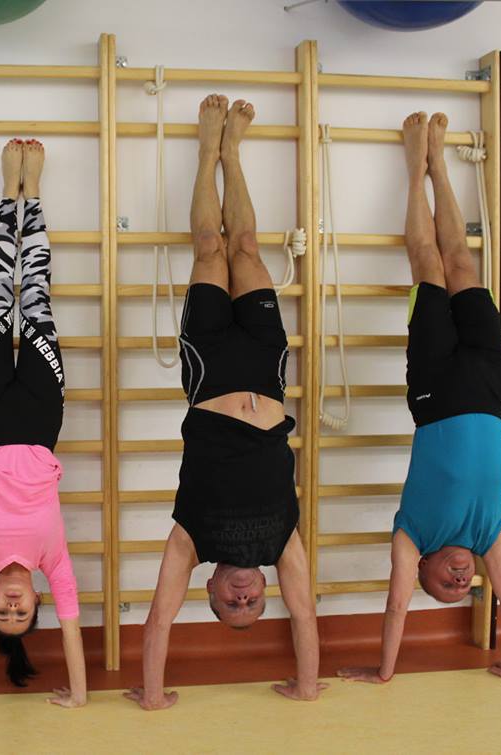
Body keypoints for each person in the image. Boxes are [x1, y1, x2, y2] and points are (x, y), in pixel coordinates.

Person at [125, 96, 325, 712]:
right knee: (248, 248)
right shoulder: (283, 543)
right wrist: (307, 686)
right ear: (264, 588)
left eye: (231, 604)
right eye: (252, 604)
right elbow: (305, 616)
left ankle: (205, 150)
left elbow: (159, 618)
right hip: (265, 370)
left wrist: (153, 695)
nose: (243, 597)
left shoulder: (192, 539)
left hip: (210, 368)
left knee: (210, 249)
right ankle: (231, 152)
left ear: (208, 589)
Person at [338, 112, 501, 686]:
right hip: (490, 389)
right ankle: (440, 164)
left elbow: (396, 605)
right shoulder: (487, 534)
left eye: (443, 585)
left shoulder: (412, 535)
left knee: (427, 263)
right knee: (464, 263)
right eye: (462, 587)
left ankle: (415, 163)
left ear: (421, 567)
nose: (459, 580)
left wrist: (384, 672)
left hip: (435, 391)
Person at [0, 139, 87, 714]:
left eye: (2, 613)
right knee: (35, 298)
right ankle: (37, 195)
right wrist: (79, 696)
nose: (11, 607)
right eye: (21, 612)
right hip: (39, 417)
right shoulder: (53, 562)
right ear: (36, 600)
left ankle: (11, 191)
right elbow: (73, 631)